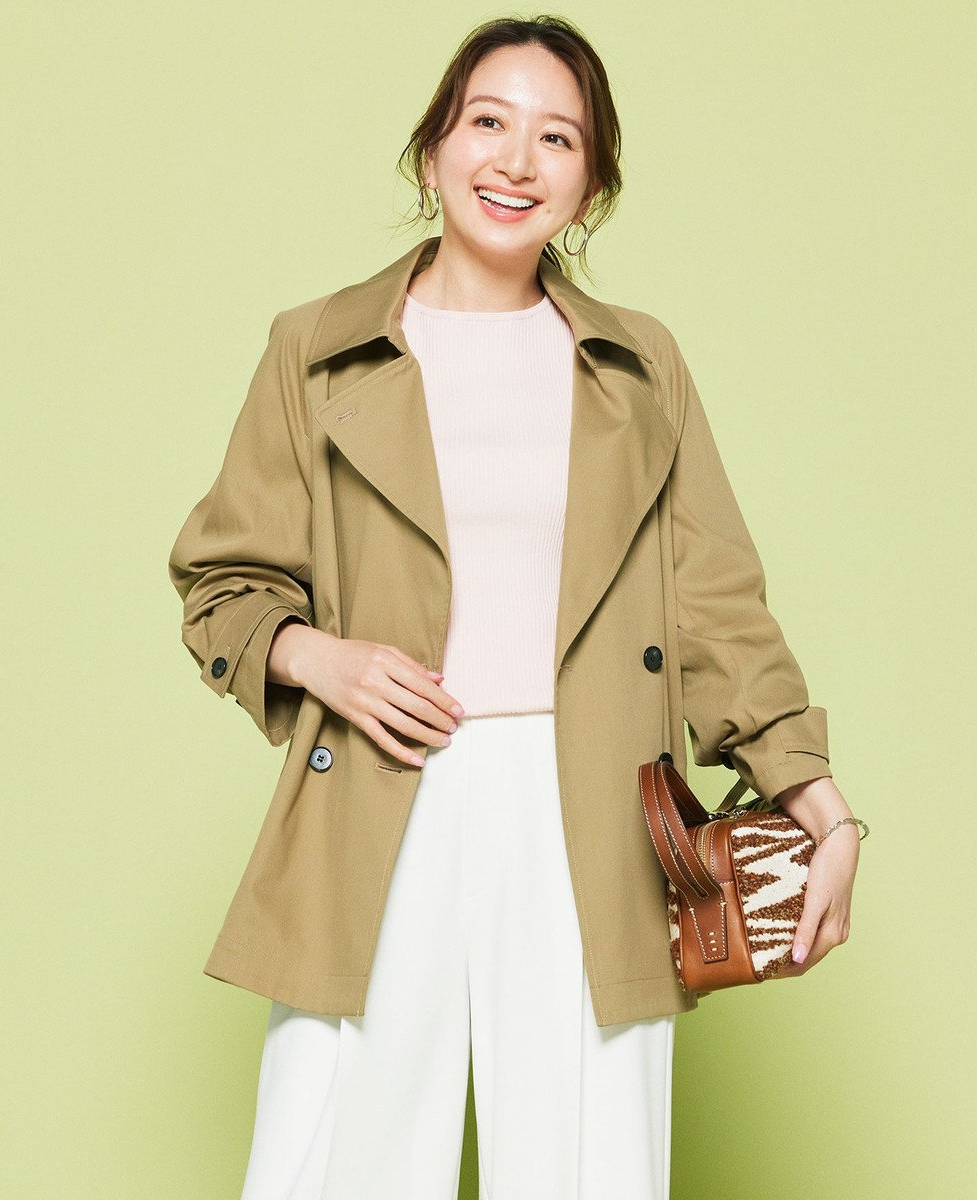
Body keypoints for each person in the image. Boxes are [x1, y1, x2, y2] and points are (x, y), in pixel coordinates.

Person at [168, 14, 863, 1200]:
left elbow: (715, 607)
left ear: (590, 187)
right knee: (337, 1162)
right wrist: (319, 658)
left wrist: (821, 807)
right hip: (381, 790)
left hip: (589, 804)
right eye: (487, 121)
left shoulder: (640, 367)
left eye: (558, 138)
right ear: (432, 149)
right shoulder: (316, 350)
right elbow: (224, 581)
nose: (515, 159)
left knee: (588, 1165)